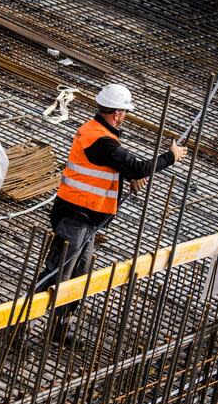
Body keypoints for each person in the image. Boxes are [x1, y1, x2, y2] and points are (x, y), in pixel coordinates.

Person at [38, 83, 187, 348]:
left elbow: (110, 169)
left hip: (87, 219)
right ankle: (17, 327)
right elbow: (137, 165)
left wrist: (126, 178)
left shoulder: (100, 135)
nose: (125, 116)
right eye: (125, 112)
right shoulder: (101, 139)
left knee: (80, 277)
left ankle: (60, 328)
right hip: (75, 217)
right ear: (118, 113)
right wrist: (171, 157)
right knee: (56, 276)